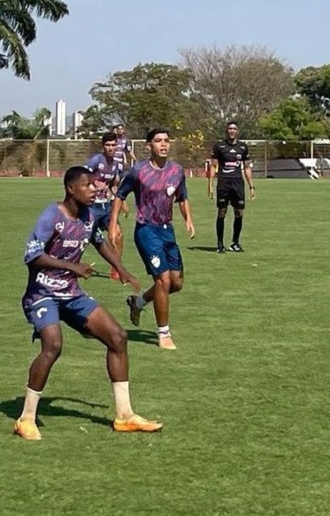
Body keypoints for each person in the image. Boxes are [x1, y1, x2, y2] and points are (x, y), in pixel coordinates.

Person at [13, 166, 163, 441]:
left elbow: (99, 242)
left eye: (95, 185)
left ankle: (125, 415)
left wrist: (122, 269)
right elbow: (32, 256)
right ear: (71, 189)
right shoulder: (52, 215)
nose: (95, 189)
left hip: (72, 293)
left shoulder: (89, 216)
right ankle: (26, 418)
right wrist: (73, 266)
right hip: (42, 294)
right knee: (53, 346)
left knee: (117, 337)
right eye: (88, 185)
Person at [109, 128, 195, 350]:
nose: (163, 144)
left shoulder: (177, 170)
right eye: (158, 141)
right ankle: (163, 334)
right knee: (163, 281)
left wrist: (188, 220)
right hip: (146, 230)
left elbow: (182, 197)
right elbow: (120, 195)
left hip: (168, 231)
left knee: (176, 283)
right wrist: (112, 225)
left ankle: (137, 303)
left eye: (166, 141)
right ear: (150, 145)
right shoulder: (139, 170)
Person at [208, 120, 256, 253]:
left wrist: (251, 186)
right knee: (222, 212)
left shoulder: (243, 147)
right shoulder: (219, 146)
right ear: (226, 130)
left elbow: (246, 167)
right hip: (224, 183)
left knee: (239, 213)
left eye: (234, 129)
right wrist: (210, 185)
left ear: (237, 131)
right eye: (229, 129)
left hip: (238, 183)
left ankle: (235, 243)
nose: (232, 131)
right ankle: (220, 244)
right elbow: (213, 166)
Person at [86, 132, 125, 279]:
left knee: (118, 235)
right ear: (103, 146)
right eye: (107, 145)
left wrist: (122, 201)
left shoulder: (116, 164)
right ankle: (69, 265)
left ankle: (116, 268)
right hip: (91, 207)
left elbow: (114, 186)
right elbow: (82, 178)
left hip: (106, 207)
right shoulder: (96, 161)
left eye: (113, 145)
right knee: (81, 237)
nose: (110, 148)